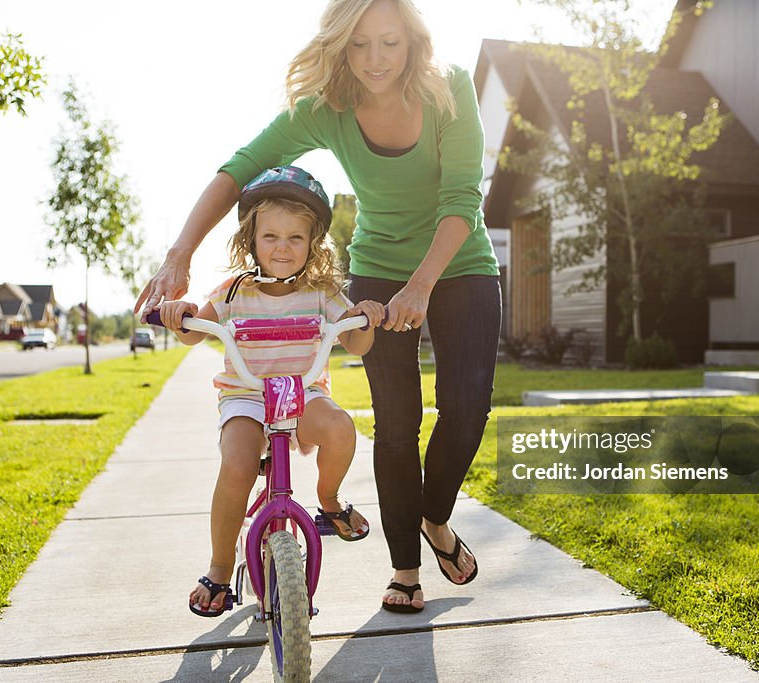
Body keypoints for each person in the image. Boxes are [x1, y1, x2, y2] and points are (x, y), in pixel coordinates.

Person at [136, 0, 501, 614]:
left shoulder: (451, 87)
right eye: (358, 45)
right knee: (397, 421)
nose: (375, 60)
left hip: (458, 263)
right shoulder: (328, 107)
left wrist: (422, 286)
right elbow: (239, 169)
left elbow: (463, 199)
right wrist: (179, 254)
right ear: (339, 46)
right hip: (380, 265)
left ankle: (434, 519)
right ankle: (406, 571)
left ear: (413, 39)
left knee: (466, 411)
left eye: (389, 43)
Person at [157, 166, 386, 617]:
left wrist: (364, 316)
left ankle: (329, 502)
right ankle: (221, 567)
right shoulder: (233, 292)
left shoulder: (322, 292)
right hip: (247, 395)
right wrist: (181, 311)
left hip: (303, 392)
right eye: (271, 237)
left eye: (296, 238)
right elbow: (193, 331)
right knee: (238, 465)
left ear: (313, 242)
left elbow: (357, 342)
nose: (283, 248)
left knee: (341, 429)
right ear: (251, 239)